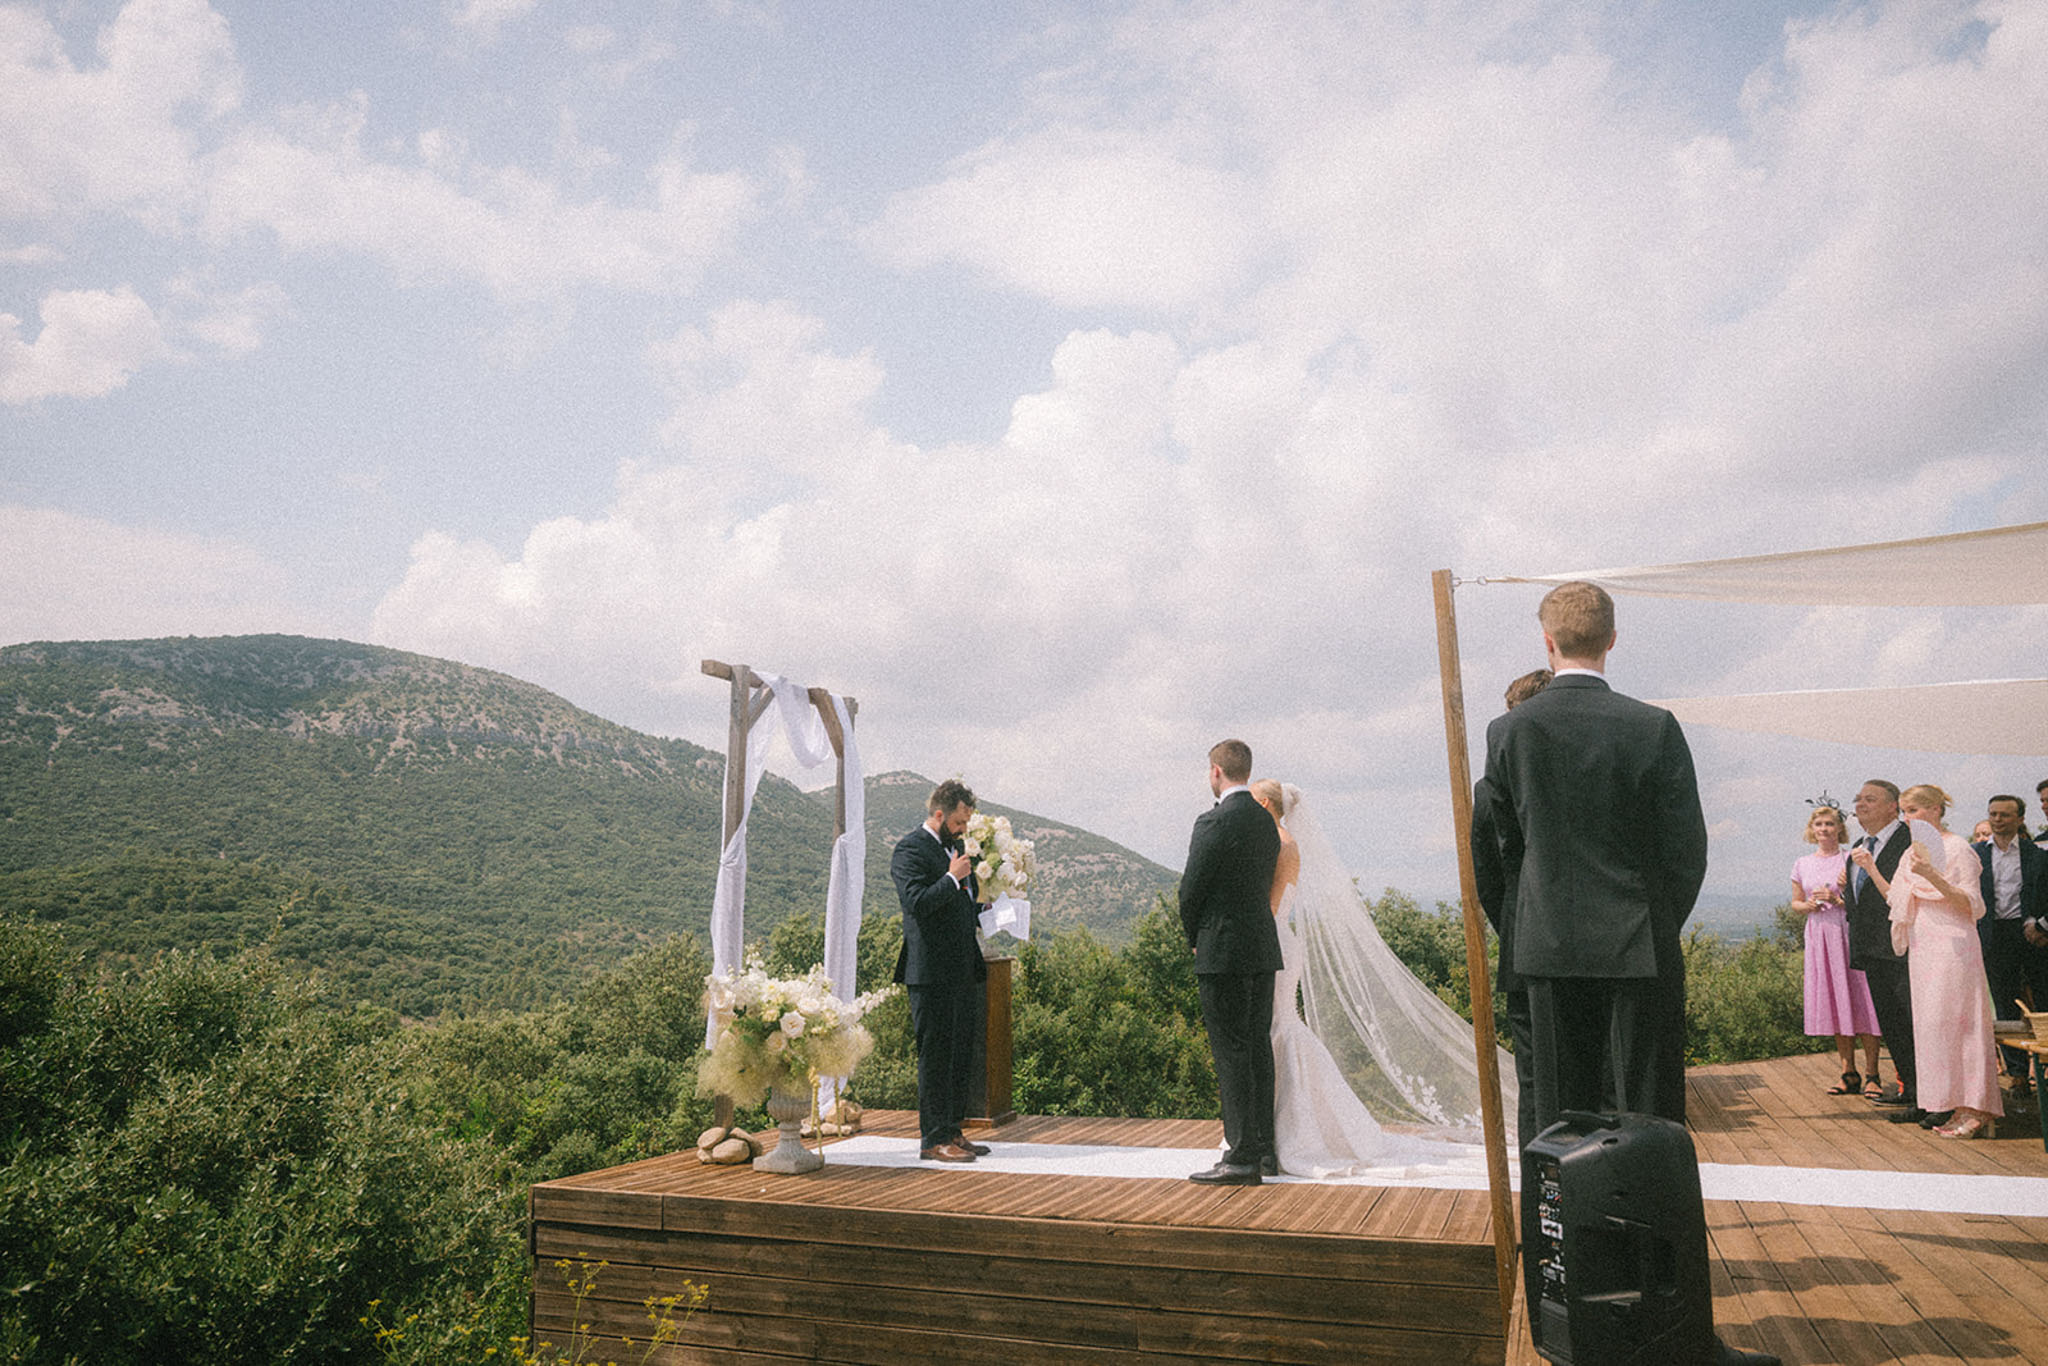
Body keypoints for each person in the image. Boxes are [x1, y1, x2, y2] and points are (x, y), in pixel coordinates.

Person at [1480, 581, 1776, 1366]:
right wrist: (1650, 928)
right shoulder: (1652, 726)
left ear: (1548, 641)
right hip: (1637, 952)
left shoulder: (1509, 732)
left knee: (1557, 1129)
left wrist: (1537, 929)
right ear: (1613, 640)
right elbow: (1687, 850)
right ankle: (1674, 1335)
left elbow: (1506, 852)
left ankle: (1567, 1320)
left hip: (1545, 954)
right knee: (1650, 1129)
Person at [1251, 779, 1512, 1176]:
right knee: (1279, 1028)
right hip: (1280, 942)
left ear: (1265, 803)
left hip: (1275, 942)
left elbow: (1269, 907)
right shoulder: (1280, 841)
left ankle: (1296, 1132)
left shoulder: (1282, 844)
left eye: (1252, 800)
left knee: (1281, 1028)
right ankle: (1282, 1127)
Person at [1857, 784, 2002, 1139]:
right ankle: (1948, 1103)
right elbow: (1897, 898)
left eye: (1915, 811)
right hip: (1924, 944)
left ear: (1937, 809)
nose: (1909, 818)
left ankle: (1976, 1106)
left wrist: (1932, 875)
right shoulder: (1912, 852)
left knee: (1961, 1022)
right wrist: (1872, 868)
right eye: (1905, 811)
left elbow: (1973, 905)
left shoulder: (1958, 848)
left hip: (1954, 944)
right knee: (1933, 1028)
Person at [1179, 739, 1282, 1185]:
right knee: (1258, 1047)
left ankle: (1239, 1156)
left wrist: (1194, 938)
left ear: (1217, 772)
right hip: (1262, 947)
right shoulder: (1265, 821)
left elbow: (1190, 891)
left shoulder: (1212, 821)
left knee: (1231, 1052)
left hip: (1222, 950)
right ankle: (1263, 1151)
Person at [1473, 668, 1552, 1144]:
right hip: (1597, 945)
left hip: (1524, 942)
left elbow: (1487, 878)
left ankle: (1538, 1180)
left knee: (1535, 1078)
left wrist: (1516, 928)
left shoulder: (1489, 788)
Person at [891, 778, 989, 1163]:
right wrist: (951, 877)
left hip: (962, 968)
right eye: (960, 822)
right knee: (934, 1056)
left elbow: (963, 903)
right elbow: (917, 902)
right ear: (939, 813)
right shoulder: (908, 850)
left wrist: (989, 911)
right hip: (929, 971)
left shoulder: (958, 849)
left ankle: (952, 1129)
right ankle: (932, 1139)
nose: (964, 829)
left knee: (959, 1053)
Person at [1792, 804, 1882, 1097]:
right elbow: (1796, 902)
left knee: (1863, 1001)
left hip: (1847, 933)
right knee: (1836, 1002)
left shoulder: (1850, 859)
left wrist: (1836, 898)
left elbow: (1864, 902)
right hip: (1820, 936)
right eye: (1818, 824)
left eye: (1829, 824)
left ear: (1840, 829)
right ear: (1811, 829)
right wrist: (1808, 905)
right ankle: (1848, 1073)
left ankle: (1873, 1074)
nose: (1824, 829)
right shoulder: (1802, 863)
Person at [1847, 780, 1922, 1123]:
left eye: (1870, 799)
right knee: (1892, 1025)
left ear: (1894, 807)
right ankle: (1912, 1090)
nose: (1860, 805)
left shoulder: (1910, 842)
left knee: (1912, 1023)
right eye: (1858, 799)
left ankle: (1927, 1097)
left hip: (1905, 949)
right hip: (1873, 950)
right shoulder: (1860, 845)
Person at [1974, 793, 2048, 1087]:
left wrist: (2039, 924)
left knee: (2042, 999)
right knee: (2004, 1002)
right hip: (1995, 933)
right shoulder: (1977, 853)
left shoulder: (2037, 854)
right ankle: (2017, 1074)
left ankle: (2042, 1068)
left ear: (2019, 819)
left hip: (2030, 933)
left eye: (2004, 815)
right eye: (1993, 814)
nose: (1997, 820)